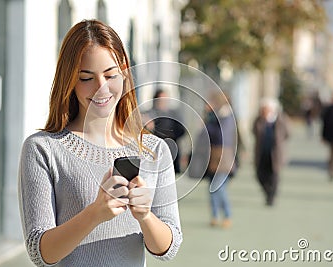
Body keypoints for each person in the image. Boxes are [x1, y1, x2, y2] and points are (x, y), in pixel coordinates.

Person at [18, 19, 182, 267]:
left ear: (125, 74)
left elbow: (168, 248)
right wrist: (95, 213)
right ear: (69, 81)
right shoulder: (43, 149)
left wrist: (145, 216)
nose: (101, 88)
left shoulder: (155, 150)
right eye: (86, 78)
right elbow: (41, 254)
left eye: (110, 75)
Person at [203, 91, 237, 228]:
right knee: (212, 188)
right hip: (213, 156)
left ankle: (227, 215)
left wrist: (208, 121)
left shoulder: (227, 116)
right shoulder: (216, 116)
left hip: (224, 156)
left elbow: (218, 135)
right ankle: (215, 215)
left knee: (219, 187)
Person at [252, 97, 289, 206]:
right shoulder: (259, 120)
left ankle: (271, 196)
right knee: (260, 175)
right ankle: (267, 191)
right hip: (262, 152)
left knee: (274, 175)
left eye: (266, 109)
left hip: (275, 153)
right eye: (263, 109)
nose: (264, 111)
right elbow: (254, 131)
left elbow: (287, 133)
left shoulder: (280, 119)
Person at [144, 89, 186, 173]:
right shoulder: (149, 114)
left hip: (171, 150)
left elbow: (181, 130)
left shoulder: (174, 114)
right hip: (155, 152)